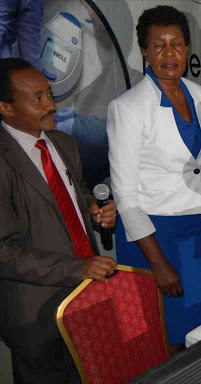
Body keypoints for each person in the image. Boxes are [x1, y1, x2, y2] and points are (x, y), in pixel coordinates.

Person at [107, 5, 201, 352]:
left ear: (188, 48)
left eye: (176, 44)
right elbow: (125, 198)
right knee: (161, 336)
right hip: (154, 236)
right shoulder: (128, 107)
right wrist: (158, 264)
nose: (169, 53)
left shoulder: (200, 95)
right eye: (158, 45)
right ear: (144, 51)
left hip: (198, 228)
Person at [0, 58, 117, 383]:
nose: (51, 105)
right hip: (35, 316)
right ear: (6, 108)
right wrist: (75, 268)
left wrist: (94, 207)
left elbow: (73, 192)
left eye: (49, 94)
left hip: (84, 299)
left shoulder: (64, 144)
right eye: (37, 98)